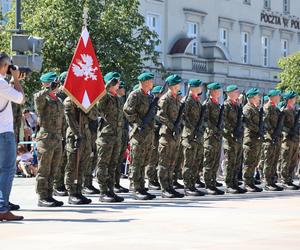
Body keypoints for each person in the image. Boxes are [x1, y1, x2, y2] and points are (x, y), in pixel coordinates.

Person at [123, 72, 156, 200]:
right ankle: (136, 188)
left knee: (144, 162)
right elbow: (127, 111)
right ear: (144, 82)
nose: (152, 83)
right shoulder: (135, 95)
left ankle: (142, 187)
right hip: (138, 134)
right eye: (150, 81)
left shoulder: (150, 96)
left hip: (148, 134)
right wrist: (138, 123)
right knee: (136, 161)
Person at [34, 72, 65, 207]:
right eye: (53, 83)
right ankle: (42, 196)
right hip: (46, 139)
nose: (56, 86)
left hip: (57, 139)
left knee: (54, 169)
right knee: (44, 169)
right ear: (46, 83)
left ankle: (50, 195)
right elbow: (37, 99)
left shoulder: (58, 101)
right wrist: (47, 90)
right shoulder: (42, 99)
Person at [0, 52, 24, 221]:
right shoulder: (1, 82)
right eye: (9, 66)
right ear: (3, 66)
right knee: (7, 170)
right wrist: (16, 79)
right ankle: (2, 208)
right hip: (3, 133)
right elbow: (21, 98)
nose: (10, 69)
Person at [96, 72, 124, 202]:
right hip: (106, 136)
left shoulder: (118, 98)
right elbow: (98, 107)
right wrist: (106, 86)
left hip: (116, 136)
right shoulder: (104, 97)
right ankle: (103, 191)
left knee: (113, 164)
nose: (117, 84)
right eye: (114, 82)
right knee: (103, 163)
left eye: (117, 82)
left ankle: (110, 189)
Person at [64, 97, 97, 205]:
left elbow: (94, 116)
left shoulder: (86, 101)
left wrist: (85, 109)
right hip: (74, 135)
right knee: (73, 165)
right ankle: (72, 193)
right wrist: (77, 134)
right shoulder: (69, 101)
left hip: (86, 134)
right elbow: (70, 120)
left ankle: (79, 190)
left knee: (83, 163)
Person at [157, 74, 184, 198]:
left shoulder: (176, 99)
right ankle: (164, 188)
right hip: (167, 134)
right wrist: (172, 126)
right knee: (164, 162)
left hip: (175, 135)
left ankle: (170, 186)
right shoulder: (165, 99)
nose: (179, 86)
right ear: (172, 85)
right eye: (177, 84)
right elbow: (160, 115)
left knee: (172, 162)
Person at [181, 79, 206, 196]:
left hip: (197, 135)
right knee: (189, 162)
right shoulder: (188, 101)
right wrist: (192, 130)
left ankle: (192, 184)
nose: (201, 88)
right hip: (189, 135)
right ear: (193, 88)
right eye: (199, 86)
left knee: (196, 161)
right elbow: (184, 117)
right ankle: (188, 186)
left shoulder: (196, 101)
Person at [223, 85, 246, 194]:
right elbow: (224, 122)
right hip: (230, 138)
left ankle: (235, 182)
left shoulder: (237, 105)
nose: (238, 94)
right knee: (230, 162)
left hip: (238, 138)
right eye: (236, 92)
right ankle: (229, 184)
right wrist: (232, 131)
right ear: (230, 93)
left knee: (237, 162)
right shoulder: (226, 105)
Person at [203, 82, 225, 195]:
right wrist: (214, 130)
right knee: (209, 161)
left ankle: (213, 182)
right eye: (218, 90)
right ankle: (208, 184)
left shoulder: (217, 104)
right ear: (213, 91)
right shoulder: (208, 104)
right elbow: (206, 121)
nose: (220, 92)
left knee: (215, 161)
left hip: (217, 136)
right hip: (210, 136)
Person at [242, 88, 263, 192]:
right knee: (249, 162)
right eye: (257, 96)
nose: (259, 98)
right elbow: (248, 124)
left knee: (254, 162)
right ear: (252, 98)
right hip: (250, 139)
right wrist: (259, 129)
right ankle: (247, 183)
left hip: (256, 139)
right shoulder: (247, 109)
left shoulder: (255, 108)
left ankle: (251, 181)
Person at [263, 89, 284, 191]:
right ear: (273, 97)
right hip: (270, 138)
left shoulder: (275, 108)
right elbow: (266, 124)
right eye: (278, 96)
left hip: (276, 138)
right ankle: (267, 182)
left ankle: (272, 181)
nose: (279, 97)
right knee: (269, 161)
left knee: (274, 160)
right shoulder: (267, 108)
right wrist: (273, 134)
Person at [280, 91, 299, 190]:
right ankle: (284, 180)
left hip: (295, 138)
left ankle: (289, 179)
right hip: (287, 138)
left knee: (293, 159)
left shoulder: (294, 110)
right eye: (294, 98)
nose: (296, 100)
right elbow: (281, 125)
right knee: (286, 159)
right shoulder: (285, 111)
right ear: (290, 100)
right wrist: (289, 132)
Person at [146, 85, 163, 190]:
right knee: (152, 158)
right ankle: (150, 180)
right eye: (160, 94)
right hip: (153, 133)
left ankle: (155, 178)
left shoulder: (160, 105)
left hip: (159, 133)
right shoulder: (152, 104)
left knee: (157, 157)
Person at [114, 81, 129, 193]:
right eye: (122, 88)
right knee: (114, 160)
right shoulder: (112, 100)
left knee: (119, 160)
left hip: (122, 132)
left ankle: (117, 183)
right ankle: (113, 184)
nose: (123, 90)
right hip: (114, 133)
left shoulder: (121, 101)